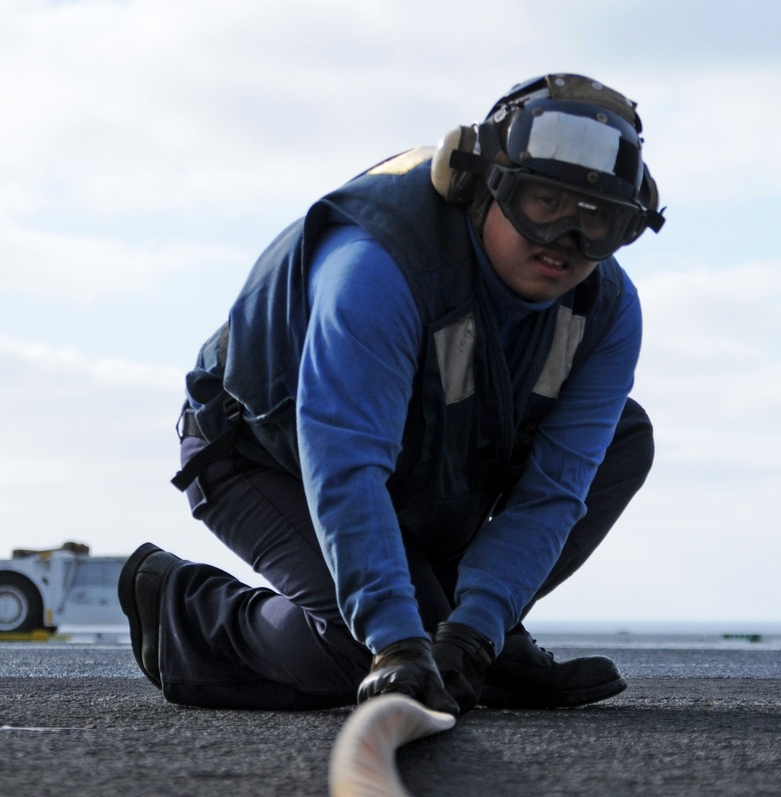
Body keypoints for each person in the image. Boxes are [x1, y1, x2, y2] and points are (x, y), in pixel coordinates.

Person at [118, 72, 663, 718]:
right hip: (266, 450)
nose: (567, 243)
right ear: (481, 182)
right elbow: (346, 466)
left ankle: (480, 634)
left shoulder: (608, 308)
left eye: (598, 220)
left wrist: (472, 633)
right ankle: (184, 612)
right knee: (359, 654)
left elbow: (555, 489)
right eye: (544, 203)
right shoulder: (376, 268)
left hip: (425, 459)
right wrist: (399, 647)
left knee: (621, 438)